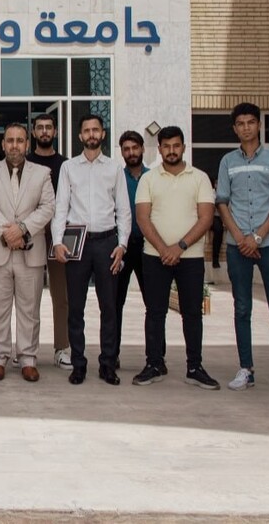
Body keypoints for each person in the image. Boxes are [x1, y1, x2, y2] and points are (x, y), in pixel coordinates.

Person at [132, 126, 223, 391]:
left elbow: (206, 218)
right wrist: (164, 249)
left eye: (176, 145)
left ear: (183, 147)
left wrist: (179, 247)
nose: (171, 151)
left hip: (190, 257)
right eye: (166, 146)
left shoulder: (200, 178)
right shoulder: (148, 179)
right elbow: (143, 218)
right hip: (155, 256)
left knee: (192, 313)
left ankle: (195, 367)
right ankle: (154, 364)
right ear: (159, 149)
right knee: (155, 312)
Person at [215, 102, 269, 394]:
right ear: (235, 128)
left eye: (251, 122)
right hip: (237, 246)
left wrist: (258, 237)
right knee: (242, 308)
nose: (246, 127)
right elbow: (222, 203)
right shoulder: (227, 162)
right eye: (241, 123)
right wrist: (240, 237)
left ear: (259, 125)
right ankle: (245, 369)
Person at [52, 114, 130, 387]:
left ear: (103, 134)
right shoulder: (69, 168)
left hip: (107, 243)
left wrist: (122, 245)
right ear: (80, 136)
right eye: (87, 130)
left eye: (96, 130)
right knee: (76, 307)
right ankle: (79, 364)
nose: (91, 134)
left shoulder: (115, 168)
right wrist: (57, 241)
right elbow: (61, 206)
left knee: (109, 307)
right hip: (78, 244)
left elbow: (123, 210)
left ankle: (108, 364)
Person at [0, 123, 56, 382]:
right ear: (3, 144)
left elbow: (48, 207)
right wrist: (7, 233)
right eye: (10, 140)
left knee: (29, 310)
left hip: (30, 253)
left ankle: (28, 358)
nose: (14, 145)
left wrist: (22, 229)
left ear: (27, 144)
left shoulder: (42, 173)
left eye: (19, 141)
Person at [25, 113, 71, 371]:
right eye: (40, 127)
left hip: (57, 237)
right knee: (27, 296)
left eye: (48, 127)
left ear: (55, 132)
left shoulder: (66, 166)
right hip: (30, 234)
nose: (44, 131)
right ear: (33, 132)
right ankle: (26, 349)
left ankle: (62, 348)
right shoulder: (25, 163)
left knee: (61, 295)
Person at [115, 130, 149, 369]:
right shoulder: (117, 177)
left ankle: (155, 357)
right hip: (123, 247)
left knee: (153, 305)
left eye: (135, 148)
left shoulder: (153, 177)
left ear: (143, 149)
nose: (131, 153)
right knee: (115, 303)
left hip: (149, 247)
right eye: (126, 149)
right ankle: (112, 354)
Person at [210, 178, 224, 268]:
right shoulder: (211, 193)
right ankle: (215, 259)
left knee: (219, 229)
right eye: (217, 183)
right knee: (218, 229)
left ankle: (215, 259)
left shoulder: (225, 194)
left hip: (220, 217)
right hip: (210, 216)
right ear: (215, 185)